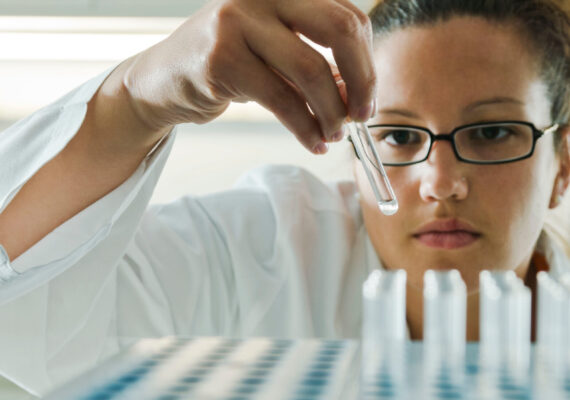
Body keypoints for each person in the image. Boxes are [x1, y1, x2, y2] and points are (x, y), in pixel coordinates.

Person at [0, 0, 569, 396]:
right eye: (397, 135)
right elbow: (20, 300)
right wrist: (136, 100)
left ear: (563, 165)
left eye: (492, 132)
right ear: (359, 150)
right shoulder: (264, 253)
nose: (441, 181)